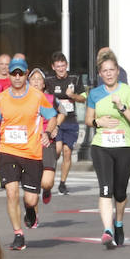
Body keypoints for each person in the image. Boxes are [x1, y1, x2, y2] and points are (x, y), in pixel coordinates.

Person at [0, 57, 56, 251]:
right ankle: (18, 234)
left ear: (26, 75)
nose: (17, 77)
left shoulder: (37, 96)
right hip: (9, 151)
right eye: (13, 73)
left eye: (20, 73)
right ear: (8, 75)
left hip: (32, 154)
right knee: (11, 192)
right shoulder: (1, 98)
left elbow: (51, 118)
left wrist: (48, 133)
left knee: (31, 199)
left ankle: (30, 211)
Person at [86, 52, 130, 249]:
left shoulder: (127, 91)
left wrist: (122, 106)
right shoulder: (95, 94)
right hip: (101, 146)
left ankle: (118, 222)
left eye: (112, 70)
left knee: (119, 193)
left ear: (117, 72)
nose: (108, 74)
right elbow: (88, 120)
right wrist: (97, 122)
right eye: (105, 71)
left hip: (124, 146)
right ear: (100, 74)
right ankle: (107, 229)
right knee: (105, 189)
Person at [45, 53, 84, 194]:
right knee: (57, 150)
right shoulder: (49, 80)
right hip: (55, 120)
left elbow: (83, 98)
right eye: (58, 67)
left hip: (71, 121)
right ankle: (48, 180)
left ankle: (62, 183)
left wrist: (72, 96)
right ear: (53, 67)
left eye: (63, 66)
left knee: (67, 152)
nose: (61, 69)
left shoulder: (74, 78)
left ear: (66, 65)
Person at [27, 67, 58, 204]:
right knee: (31, 188)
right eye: (33, 79)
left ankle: (47, 189)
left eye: (39, 79)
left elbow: (61, 113)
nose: (36, 82)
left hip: (46, 141)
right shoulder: (22, 99)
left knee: (46, 182)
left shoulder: (50, 99)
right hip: (28, 143)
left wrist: (55, 127)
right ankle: (32, 212)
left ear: (44, 84)